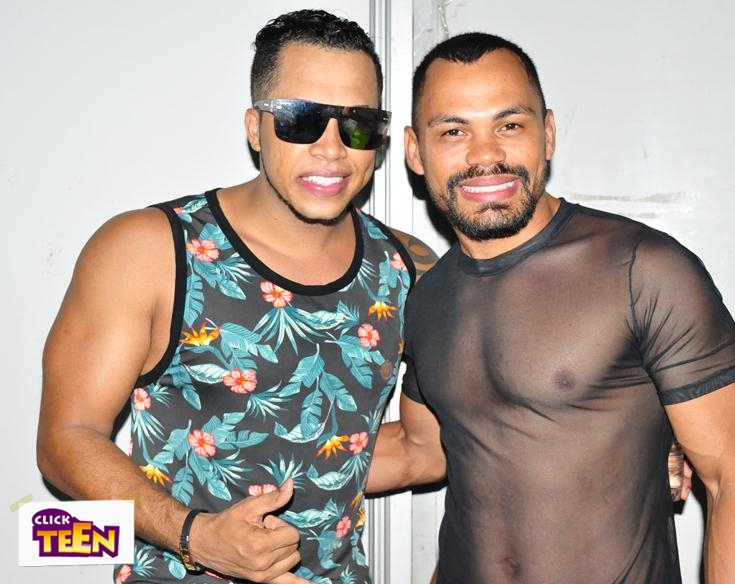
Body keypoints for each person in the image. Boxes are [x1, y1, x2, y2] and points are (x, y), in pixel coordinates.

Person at [37, 10, 436, 584]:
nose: (332, 149)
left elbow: (418, 451)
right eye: (300, 120)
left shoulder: (407, 268)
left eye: (357, 125)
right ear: (255, 127)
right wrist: (196, 536)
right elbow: (65, 438)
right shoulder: (149, 249)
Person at [367, 32, 735, 583]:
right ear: (415, 152)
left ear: (549, 134)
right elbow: (422, 451)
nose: (485, 155)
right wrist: (253, 466)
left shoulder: (641, 269)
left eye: (510, 125)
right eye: (454, 131)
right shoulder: (429, 296)